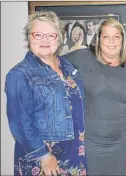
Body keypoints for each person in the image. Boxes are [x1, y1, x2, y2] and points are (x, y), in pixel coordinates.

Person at [5, 11, 86, 175]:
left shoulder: (69, 68)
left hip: (75, 153)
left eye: (51, 35)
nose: (44, 40)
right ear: (29, 38)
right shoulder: (19, 74)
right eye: (38, 35)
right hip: (44, 160)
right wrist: (44, 157)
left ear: (59, 38)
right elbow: (19, 123)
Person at [63, 18, 126, 175]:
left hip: (121, 144)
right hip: (89, 143)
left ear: (123, 40)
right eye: (106, 36)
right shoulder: (83, 57)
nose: (111, 41)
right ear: (98, 39)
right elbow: (53, 65)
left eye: (116, 36)